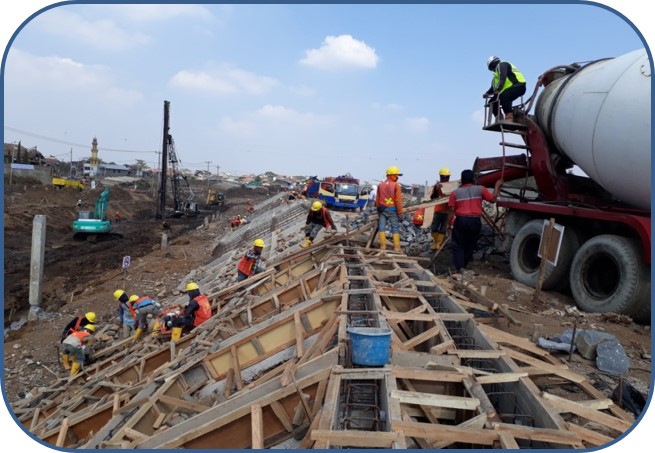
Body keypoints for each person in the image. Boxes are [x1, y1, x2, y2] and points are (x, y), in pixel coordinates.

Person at [446, 170, 503, 274]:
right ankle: (464, 266)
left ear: (462, 179)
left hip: (461, 220)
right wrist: (497, 186)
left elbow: (451, 210)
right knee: (470, 244)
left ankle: (460, 268)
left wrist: (448, 223)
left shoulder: (455, 193)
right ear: (473, 179)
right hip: (475, 221)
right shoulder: (480, 189)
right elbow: (493, 199)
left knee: (458, 244)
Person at [483, 56, 526, 122]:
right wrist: (487, 93)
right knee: (492, 102)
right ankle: (499, 119)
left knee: (504, 96)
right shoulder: (496, 77)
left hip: (518, 85)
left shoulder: (501, 64)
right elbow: (493, 87)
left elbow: (503, 76)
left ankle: (509, 117)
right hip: (510, 88)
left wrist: (498, 90)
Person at [375, 166, 404, 252]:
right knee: (395, 228)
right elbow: (398, 200)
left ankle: (383, 247)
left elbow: (377, 199)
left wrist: (378, 209)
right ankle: (397, 248)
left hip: (382, 210)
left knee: (381, 228)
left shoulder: (380, 185)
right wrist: (400, 212)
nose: (397, 177)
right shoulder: (396, 186)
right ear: (391, 175)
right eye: (396, 175)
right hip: (392, 210)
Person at [429, 167, 452, 250]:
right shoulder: (437, 186)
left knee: (443, 229)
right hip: (438, 210)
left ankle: (438, 244)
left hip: (447, 211)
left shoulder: (452, 186)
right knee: (434, 228)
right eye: (443, 177)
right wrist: (436, 189)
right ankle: (435, 242)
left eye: (447, 177)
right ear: (440, 177)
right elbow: (432, 197)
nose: (445, 178)